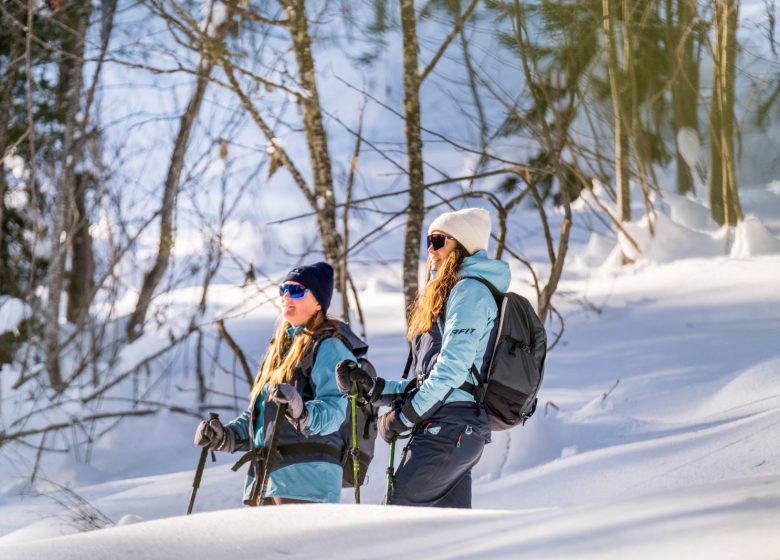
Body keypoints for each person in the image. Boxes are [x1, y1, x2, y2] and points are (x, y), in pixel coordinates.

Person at [337, 208, 510, 508]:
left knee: (394, 526)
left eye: (438, 240)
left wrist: (405, 417)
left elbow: (452, 372)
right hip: (453, 429)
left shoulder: (469, 291)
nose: (430, 249)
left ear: (462, 245)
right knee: (444, 538)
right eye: (429, 241)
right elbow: (431, 379)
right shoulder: (454, 292)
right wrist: (375, 389)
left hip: (449, 429)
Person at [194, 262, 353, 505]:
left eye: (298, 290)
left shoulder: (330, 347)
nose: (287, 296)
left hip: (307, 483)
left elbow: (336, 411)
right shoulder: (282, 349)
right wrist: (225, 436)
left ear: (319, 302)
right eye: (284, 289)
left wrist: (302, 412)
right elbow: (263, 418)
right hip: (267, 479)